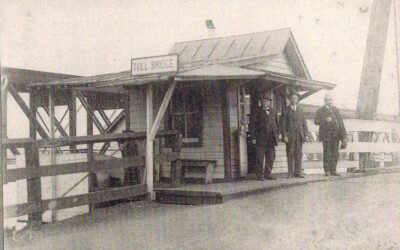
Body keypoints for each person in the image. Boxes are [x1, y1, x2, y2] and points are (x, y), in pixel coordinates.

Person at [314, 93, 347, 176]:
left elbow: (341, 123)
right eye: (328, 100)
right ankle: (327, 171)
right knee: (327, 153)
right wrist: (324, 120)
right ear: (325, 101)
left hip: (336, 135)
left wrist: (344, 137)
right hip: (326, 136)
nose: (330, 101)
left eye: (331, 99)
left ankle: (333, 170)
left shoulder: (336, 110)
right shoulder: (320, 110)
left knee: (335, 153)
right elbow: (316, 121)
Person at [249, 92, 279, 181]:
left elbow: (277, 124)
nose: (266, 102)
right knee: (260, 157)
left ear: (270, 102)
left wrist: (277, 134)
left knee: (271, 156)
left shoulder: (273, 111)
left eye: (268, 101)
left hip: (271, 138)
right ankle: (260, 175)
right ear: (261, 101)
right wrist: (253, 137)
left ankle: (268, 174)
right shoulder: (256, 111)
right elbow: (252, 125)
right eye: (264, 100)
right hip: (260, 138)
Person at [282, 90, 308, 178]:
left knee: (298, 154)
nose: (294, 99)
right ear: (290, 99)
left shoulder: (300, 109)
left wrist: (306, 135)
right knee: (290, 154)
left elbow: (304, 123)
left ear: (297, 99)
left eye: (295, 98)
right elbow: (283, 124)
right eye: (292, 98)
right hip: (290, 136)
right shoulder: (285, 109)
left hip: (299, 136)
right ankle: (290, 173)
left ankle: (298, 172)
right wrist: (284, 135)